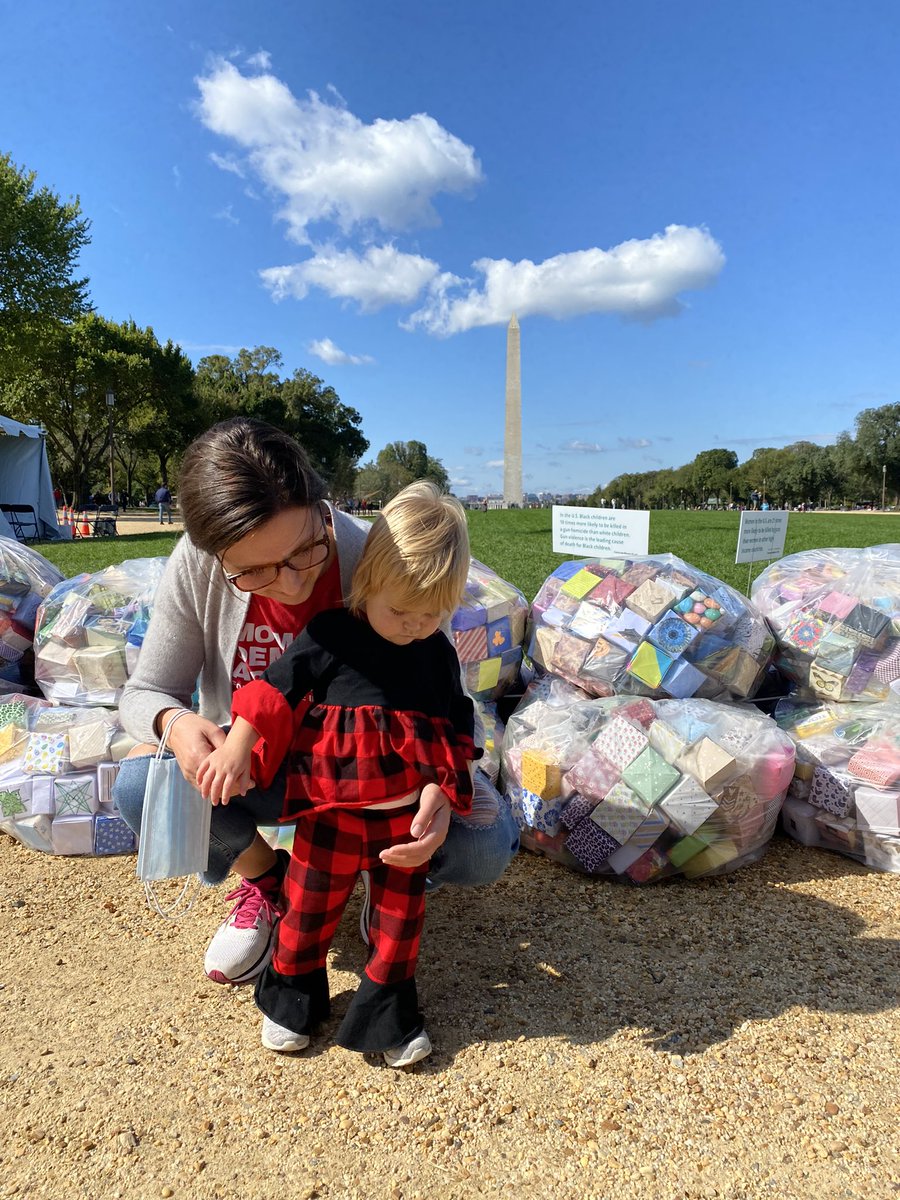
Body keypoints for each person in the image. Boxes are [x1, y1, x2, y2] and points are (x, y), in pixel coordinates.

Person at [113, 418, 519, 991]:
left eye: (305, 551)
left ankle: (385, 876)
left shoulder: (373, 555)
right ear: (218, 554)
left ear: (321, 508)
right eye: (253, 571)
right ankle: (270, 883)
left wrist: (440, 784)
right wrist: (177, 725)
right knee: (138, 787)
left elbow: (443, 692)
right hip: (262, 766)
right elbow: (144, 692)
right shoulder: (200, 563)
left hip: (379, 772)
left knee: (482, 845)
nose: (290, 584)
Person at [196, 482, 476, 1066]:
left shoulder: (436, 653)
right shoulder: (331, 634)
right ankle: (293, 1000)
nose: (415, 625)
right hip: (329, 814)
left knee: (401, 928)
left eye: (433, 613)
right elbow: (273, 690)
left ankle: (389, 1016)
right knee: (307, 912)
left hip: (405, 825)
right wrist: (235, 747)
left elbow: (454, 729)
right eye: (401, 609)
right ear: (369, 579)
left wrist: (441, 792)